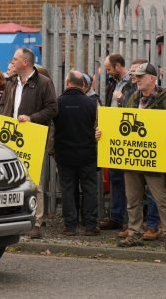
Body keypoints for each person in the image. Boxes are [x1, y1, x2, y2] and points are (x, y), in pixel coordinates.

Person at [117, 62, 166, 250]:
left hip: (152, 157)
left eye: (140, 76)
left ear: (152, 78)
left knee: (161, 197)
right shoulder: (133, 97)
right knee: (133, 198)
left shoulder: (165, 99)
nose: (136, 79)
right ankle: (134, 233)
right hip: (133, 157)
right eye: (136, 76)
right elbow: (122, 120)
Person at [0, 47, 57, 239]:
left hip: (33, 137)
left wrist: (32, 118)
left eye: (15, 59)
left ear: (25, 62)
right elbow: (3, 105)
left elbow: (52, 108)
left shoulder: (43, 83)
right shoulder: (11, 82)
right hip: (10, 135)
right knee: (9, 178)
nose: (12, 61)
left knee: (33, 181)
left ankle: (36, 221)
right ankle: (12, 217)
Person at [117, 58, 160, 241]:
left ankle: (152, 226)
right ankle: (135, 227)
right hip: (133, 150)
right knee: (133, 194)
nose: (134, 76)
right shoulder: (130, 91)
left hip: (151, 150)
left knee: (153, 192)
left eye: (138, 73)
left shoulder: (161, 96)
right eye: (133, 73)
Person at [53, 70, 99, 236]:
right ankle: (90, 225)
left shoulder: (58, 103)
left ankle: (70, 226)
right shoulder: (91, 103)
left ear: (67, 83)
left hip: (64, 154)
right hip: (87, 154)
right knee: (89, 188)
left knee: (67, 189)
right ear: (83, 85)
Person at [99, 53, 135, 231]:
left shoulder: (133, 83)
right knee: (115, 177)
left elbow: (136, 108)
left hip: (129, 137)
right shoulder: (113, 83)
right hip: (114, 136)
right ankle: (116, 216)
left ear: (118, 66)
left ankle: (132, 219)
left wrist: (122, 99)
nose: (107, 72)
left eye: (109, 69)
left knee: (131, 179)